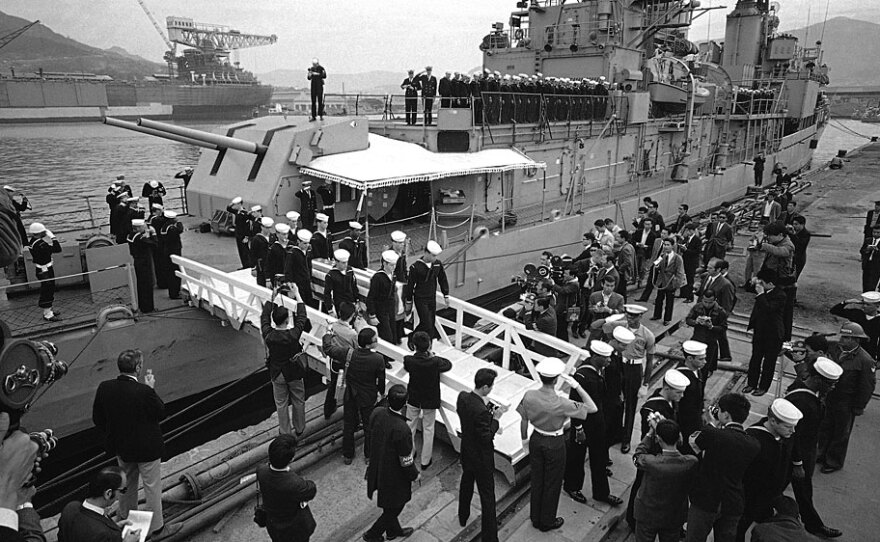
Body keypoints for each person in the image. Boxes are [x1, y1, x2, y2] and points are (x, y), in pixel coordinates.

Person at [518, 358, 597, 532]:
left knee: (537, 479)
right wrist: (576, 386)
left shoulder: (529, 395)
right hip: (554, 443)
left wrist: (524, 440)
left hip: (536, 438)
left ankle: (535, 516)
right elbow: (592, 408)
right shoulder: (562, 403)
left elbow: (523, 419)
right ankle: (547, 520)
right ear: (555, 380)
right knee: (552, 482)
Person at [92, 349, 166, 536]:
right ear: (138, 367)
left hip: (123, 448)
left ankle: (125, 520)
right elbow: (160, 412)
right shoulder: (144, 391)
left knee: (126, 486)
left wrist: (114, 435)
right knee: (152, 488)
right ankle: (156, 528)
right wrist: (151, 388)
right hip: (148, 450)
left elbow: (98, 418)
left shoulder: (105, 387)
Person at [685, 393, 761, 542]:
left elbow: (694, 444)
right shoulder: (754, 444)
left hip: (705, 500)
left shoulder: (713, 434)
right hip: (732, 503)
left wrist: (712, 424)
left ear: (726, 415)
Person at [784, 357, 844, 539]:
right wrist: (797, 463)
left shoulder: (810, 391)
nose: (833, 387)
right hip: (796, 456)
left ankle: (812, 523)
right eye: (831, 384)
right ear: (818, 380)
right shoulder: (803, 402)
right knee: (797, 490)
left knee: (798, 491)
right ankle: (813, 525)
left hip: (804, 453)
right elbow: (793, 435)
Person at [625, 369, 689, 531]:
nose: (681, 396)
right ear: (667, 389)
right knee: (641, 484)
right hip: (654, 455)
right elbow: (654, 438)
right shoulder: (652, 409)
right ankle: (633, 519)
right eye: (678, 392)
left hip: (660, 454)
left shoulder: (668, 402)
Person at [563, 341, 623, 507]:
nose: (609, 360)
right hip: (583, 424)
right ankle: (572, 487)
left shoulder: (598, 370)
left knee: (599, 459)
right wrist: (578, 429)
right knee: (576, 458)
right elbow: (575, 405)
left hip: (597, 422)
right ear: (596, 357)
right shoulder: (582, 376)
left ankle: (602, 493)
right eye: (606, 358)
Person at [736, 399, 803, 542]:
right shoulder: (753, 439)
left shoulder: (787, 433)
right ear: (773, 421)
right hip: (751, 497)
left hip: (773, 494)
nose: (793, 431)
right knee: (740, 528)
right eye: (788, 427)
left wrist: (798, 463)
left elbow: (794, 445)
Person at [363, 384, 420, 542]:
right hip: (394, 476)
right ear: (405, 404)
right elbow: (405, 459)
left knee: (389, 504)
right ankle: (372, 534)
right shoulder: (402, 429)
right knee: (395, 508)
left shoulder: (377, 413)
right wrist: (415, 475)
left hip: (378, 467)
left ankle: (393, 532)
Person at [818, 322, 876, 473]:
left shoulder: (865, 360)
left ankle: (833, 461)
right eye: (842, 336)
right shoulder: (835, 349)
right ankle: (821, 453)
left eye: (846, 337)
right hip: (830, 396)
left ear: (856, 340)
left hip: (846, 402)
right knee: (825, 427)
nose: (842, 340)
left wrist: (859, 407)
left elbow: (867, 386)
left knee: (841, 433)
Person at [324, 328, 386, 465]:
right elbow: (381, 381)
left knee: (348, 425)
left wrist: (328, 334)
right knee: (369, 427)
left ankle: (348, 455)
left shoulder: (347, 353)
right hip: (368, 396)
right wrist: (381, 393)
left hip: (350, 394)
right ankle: (369, 456)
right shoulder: (378, 359)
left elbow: (328, 348)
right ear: (370, 344)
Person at [633, 419, 698, 542]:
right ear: (679, 436)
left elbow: (637, 456)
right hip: (673, 516)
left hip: (647, 514)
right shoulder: (691, 462)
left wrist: (649, 434)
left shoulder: (650, 462)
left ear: (658, 439)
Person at [457, 368, 502, 542]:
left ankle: (463, 515)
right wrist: (496, 419)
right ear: (484, 387)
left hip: (467, 451)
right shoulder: (481, 410)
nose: (491, 389)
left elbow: (471, 420)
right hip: (482, 458)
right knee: (487, 497)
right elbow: (486, 437)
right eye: (490, 386)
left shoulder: (463, 398)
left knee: (466, 483)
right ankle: (490, 537)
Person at [604, 304, 655, 453]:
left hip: (634, 369)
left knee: (630, 406)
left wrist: (645, 383)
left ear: (640, 317)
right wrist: (614, 318)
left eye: (634, 316)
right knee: (616, 401)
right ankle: (616, 433)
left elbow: (650, 360)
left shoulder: (647, 335)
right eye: (628, 315)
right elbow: (604, 327)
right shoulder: (620, 327)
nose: (630, 318)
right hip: (619, 365)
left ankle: (626, 439)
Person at [261, 285, 311, 437]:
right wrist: (297, 293)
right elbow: (302, 316)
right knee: (298, 400)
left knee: (281, 403)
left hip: (277, 372)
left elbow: (264, 316)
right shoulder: (293, 334)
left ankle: (285, 432)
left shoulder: (268, 334)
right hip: (294, 372)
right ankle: (300, 428)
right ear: (287, 319)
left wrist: (272, 296)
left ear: (274, 320)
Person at [403, 331, 452, 470]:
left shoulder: (409, 360)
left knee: (410, 426)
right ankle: (425, 461)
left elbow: (408, 366)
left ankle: (410, 453)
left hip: (413, 397)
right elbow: (448, 364)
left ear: (413, 345)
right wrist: (432, 355)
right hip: (430, 399)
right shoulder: (435, 362)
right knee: (429, 428)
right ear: (429, 345)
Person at [256, 435, 317, 542]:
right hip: (294, 529)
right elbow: (311, 489)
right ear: (291, 459)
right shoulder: (295, 484)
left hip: (273, 525)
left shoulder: (261, 470)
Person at [57, 467, 141, 542]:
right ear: (108, 493)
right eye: (123, 490)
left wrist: (113, 528)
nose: (122, 495)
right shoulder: (101, 534)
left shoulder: (70, 507)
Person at [744, 269, 786, 396]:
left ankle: (763, 386)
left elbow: (768, 309)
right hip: (759, 331)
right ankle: (751, 383)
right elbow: (747, 288)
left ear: (771, 284)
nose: (759, 285)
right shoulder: (762, 290)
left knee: (769, 362)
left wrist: (761, 294)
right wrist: (752, 281)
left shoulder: (780, 295)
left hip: (773, 334)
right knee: (755, 359)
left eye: (762, 282)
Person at [404, 241, 449, 341]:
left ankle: (428, 345)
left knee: (431, 323)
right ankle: (413, 336)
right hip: (420, 298)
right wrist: (408, 301)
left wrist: (446, 294)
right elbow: (410, 286)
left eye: (436, 256)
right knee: (426, 322)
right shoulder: (415, 267)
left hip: (431, 297)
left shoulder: (437, 264)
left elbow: (442, 279)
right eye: (433, 255)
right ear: (426, 253)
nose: (435, 258)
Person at [321, 301, 358, 419]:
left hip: (333, 360)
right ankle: (349, 412)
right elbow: (357, 348)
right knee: (349, 387)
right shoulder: (352, 333)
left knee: (332, 386)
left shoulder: (332, 326)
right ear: (352, 316)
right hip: (347, 362)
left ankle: (328, 410)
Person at [685, 290, 728, 381]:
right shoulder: (697, 307)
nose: (707, 304)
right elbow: (688, 319)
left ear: (715, 300)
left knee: (704, 370)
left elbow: (723, 328)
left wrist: (712, 327)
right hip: (697, 340)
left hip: (710, 343)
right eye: (705, 301)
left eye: (710, 302)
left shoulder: (720, 311)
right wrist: (696, 322)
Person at [26, 223, 62, 322]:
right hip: (45, 270)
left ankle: (48, 309)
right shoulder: (40, 244)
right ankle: (48, 314)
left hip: (41, 269)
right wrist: (53, 238)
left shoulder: (33, 242)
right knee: (48, 290)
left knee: (47, 289)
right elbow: (58, 249)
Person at [830, 290, 880, 359]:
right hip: (851, 351)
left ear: (877, 306)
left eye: (868, 304)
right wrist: (846, 302)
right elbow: (834, 311)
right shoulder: (857, 314)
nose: (864, 306)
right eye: (863, 303)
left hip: (869, 354)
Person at [677, 340, 708, 442]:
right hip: (683, 421)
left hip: (695, 418)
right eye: (701, 359)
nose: (705, 362)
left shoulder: (698, 370)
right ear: (690, 358)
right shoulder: (679, 376)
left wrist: (702, 411)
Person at [650, 238, 685, 326]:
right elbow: (656, 266)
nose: (665, 247)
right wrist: (656, 266)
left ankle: (667, 319)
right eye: (664, 245)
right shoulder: (662, 255)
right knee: (659, 299)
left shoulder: (677, 258)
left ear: (672, 246)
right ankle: (657, 315)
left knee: (669, 302)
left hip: (670, 282)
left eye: (668, 245)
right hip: (661, 281)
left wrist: (676, 284)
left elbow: (680, 273)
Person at [367, 250, 399, 343]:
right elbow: (371, 297)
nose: (393, 267)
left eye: (395, 265)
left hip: (390, 308)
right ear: (384, 263)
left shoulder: (393, 275)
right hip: (380, 309)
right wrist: (372, 315)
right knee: (386, 336)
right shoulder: (378, 278)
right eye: (391, 265)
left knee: (393, 334)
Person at [127, 219, 157, 313]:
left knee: (141, 285)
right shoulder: (141, 238)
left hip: (137, 261)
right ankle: (148, 308)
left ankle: (143, 306)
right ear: (138, 228)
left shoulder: (131, 235)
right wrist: (153, 234)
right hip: (144, 262)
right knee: (147, 285)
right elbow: (155, 244)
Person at [286, 229, 317, 309]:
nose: (307, 245)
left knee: (309, 303)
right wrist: (290, 287)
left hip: (306, 282)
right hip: (298, 283)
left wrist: (310, 280)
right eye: (304, 243)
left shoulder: (308, 252)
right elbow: (288, 270)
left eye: (308, 243)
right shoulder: (292, 253)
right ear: (298, 241)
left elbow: (309, 267)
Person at [324, 248, 358, 316]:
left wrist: (356, 300)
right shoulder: (331, 275)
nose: (346, 265)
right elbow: (327, 293)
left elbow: (353, 286)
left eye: (346, 262)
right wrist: (330, 310)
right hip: (340, 304)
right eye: (343, 263)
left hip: (351, 302)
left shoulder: (350, 271)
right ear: (336, 262)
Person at [159, 210, 183, 299]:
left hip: (167, 251)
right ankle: (175, 293)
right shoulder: (171, 228)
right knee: (175, 272)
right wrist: (179, 223)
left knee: (170, 272)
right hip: (174, 251)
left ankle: (173, 291)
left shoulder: (164, 227)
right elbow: (180, 230)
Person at [679, 223, 702, 302]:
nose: (687, 232)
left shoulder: (697, 240)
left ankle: (690, 297)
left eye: (688, 231)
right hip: (685, 260)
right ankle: (683, 294)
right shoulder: (686, 239)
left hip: (692, 262)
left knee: (690, 280)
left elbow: (697, 251)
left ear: (692, 231)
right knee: (684, 278)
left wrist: (687, 250)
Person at [227, 197, 251, 268]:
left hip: (243, 235)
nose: (234, 206)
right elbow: (228, 208)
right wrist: (232, 203)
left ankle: (248, 265)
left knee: (245, 251)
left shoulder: (245, 214)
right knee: (241, 251)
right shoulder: (237, 212)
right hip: (238, 234)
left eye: (236, 204)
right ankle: (244, 265)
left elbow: (247, 226)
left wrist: (247, 237)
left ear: (240, 204)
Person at [250, 216, 274, 288]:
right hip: (261, 264)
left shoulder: (273, 237)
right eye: (266, 228)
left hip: (272, 264)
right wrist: (253, 267)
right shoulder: (256, 239)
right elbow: (252, 254)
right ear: (262, 227)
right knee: (262, 283)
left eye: (270, 227)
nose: (268, 230)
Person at [267, 224, 291, 288]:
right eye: (283, 234)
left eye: (287, 234)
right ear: (277, 234)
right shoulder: (273, 248)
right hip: (278, 278)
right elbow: (269, 265)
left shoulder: (291, 246)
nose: (286, 236)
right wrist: (268, 279)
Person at [789, 215, 811, 280]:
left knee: (793, 278)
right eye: (793, 224)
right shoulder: (795, 232)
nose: (794, 226)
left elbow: (799, 246)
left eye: (796, 224)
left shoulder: (805, 234)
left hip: (799, 259)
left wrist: (792, 235)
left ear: (802, 224)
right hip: (792, 258)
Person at [860, 223, 880, 291]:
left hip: (876, 266)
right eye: (874, 232)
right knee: (865, 283)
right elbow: (862, 250)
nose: (875, 234)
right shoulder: (868, 240)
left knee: (872, 284)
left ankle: (870, 299)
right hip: (867, 264)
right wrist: (867, 250)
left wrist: (877, 250)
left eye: (878, 232)